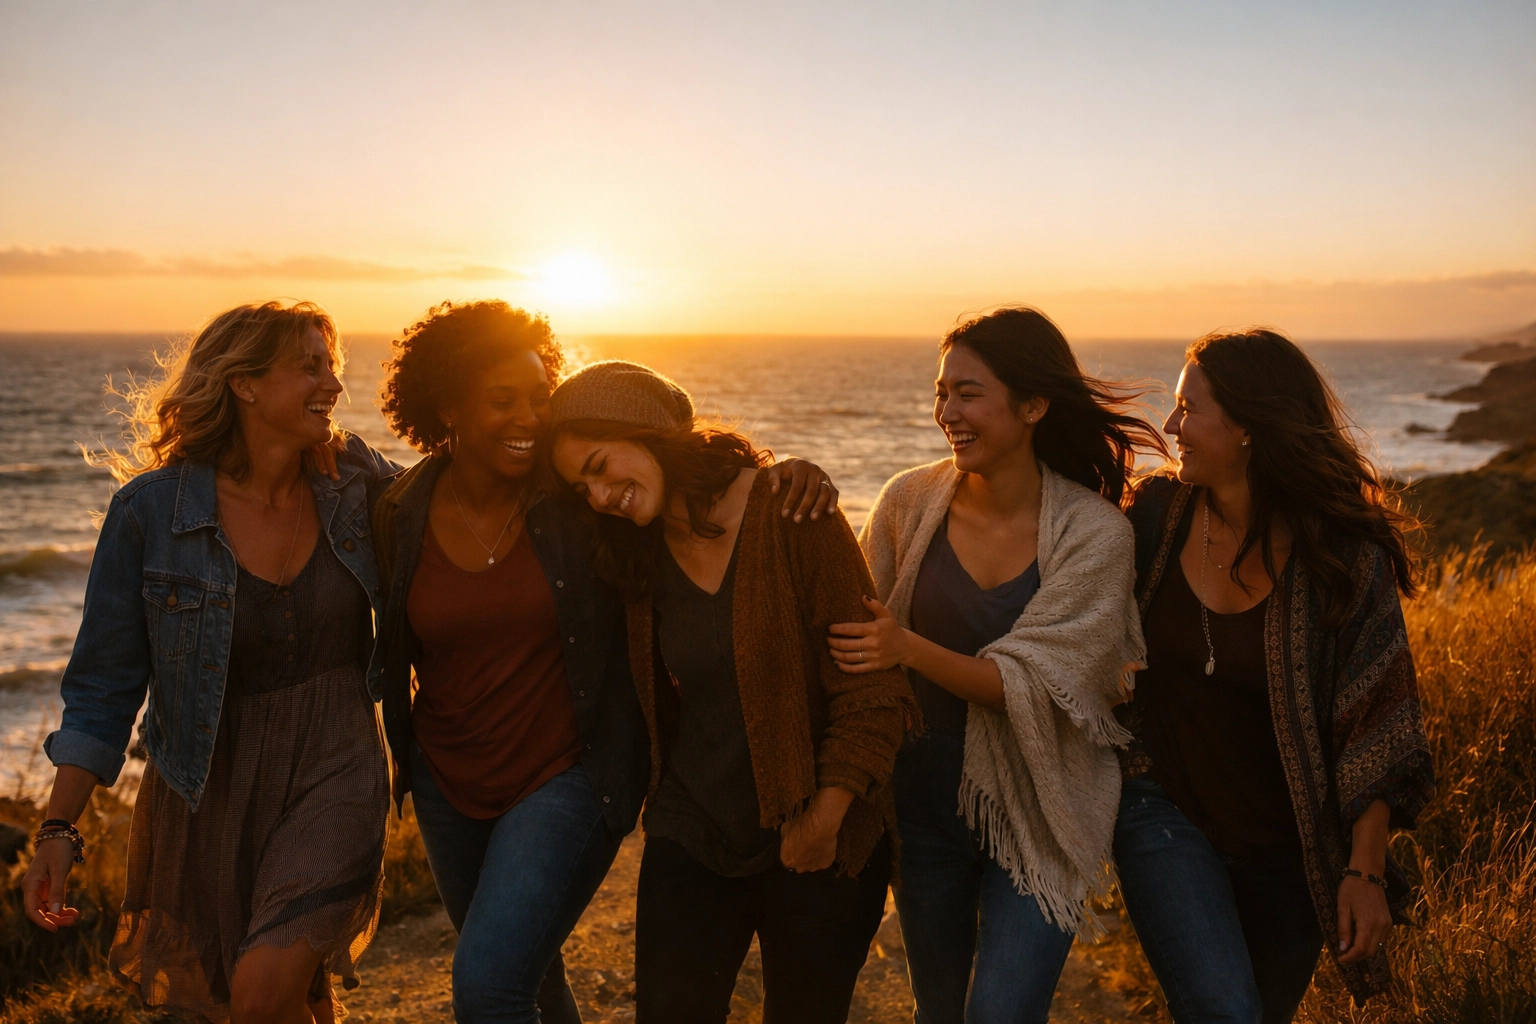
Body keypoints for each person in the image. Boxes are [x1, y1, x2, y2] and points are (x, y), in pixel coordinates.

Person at [369, 307, 841, 1024]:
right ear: (448, 408)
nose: (531, 417)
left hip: (568, 771)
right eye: (503, 400)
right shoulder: (399, 509)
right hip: (447, 780)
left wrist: (784, 474)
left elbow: (670, 476)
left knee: (489, 987)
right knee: (526, 977)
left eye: (540, 397)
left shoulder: (572, 500)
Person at [23, 301, 397, 1023]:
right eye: (309, 368)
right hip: (207, 787)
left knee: (261, 988)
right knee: (270, 997)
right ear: (244, 384)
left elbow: (444, 514)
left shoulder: (355, 484)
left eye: (332, 367)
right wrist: (58, 829)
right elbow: (103, 688)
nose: (333, 385)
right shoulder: (150, 514)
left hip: (337, 765)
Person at [548, 360, 916, 1024]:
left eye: (600, 466)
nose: (599, 496)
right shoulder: (633, 552)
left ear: (649, 431)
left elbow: (872, 690)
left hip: (818, 831)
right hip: (692, 829)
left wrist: (824, 819)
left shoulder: (794, 512)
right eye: (582, 487)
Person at [827, 307, 1164, 1024]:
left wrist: (906, 647)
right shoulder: (907, 501)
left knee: (1002, 1013)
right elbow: (848, 622)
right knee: (939, 1011)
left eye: (968, 393)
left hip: (1040, 811)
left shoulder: (1094, 533)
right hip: (922, 804)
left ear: (1033, 405)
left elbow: (1034, 682)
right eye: (941, 392)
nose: (946, 412)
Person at [1113, 328, 1435, 1023]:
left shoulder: (1343, 555)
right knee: (1224, 1011)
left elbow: (1381, 723)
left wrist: (1364, 871)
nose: (1171, 426)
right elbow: (1068, 571)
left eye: (1189, 408)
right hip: (1161, 809)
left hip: (1292, 848)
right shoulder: (1155, 519)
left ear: (1250, 426)